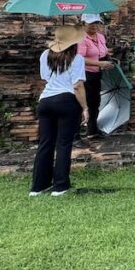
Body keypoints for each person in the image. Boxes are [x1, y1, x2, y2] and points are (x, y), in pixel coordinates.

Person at [30, 25, 88, 197]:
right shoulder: (77, 59)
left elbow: (45, 78)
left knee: (45, 143)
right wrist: (85, 107)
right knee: (63, 144)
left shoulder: (44, 55)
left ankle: (38, 186)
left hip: (46, 101)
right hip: (66, 101)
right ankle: (60, 185)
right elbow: (77, 85)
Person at [77, 13, 112, 138]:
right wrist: (99, 63)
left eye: (96, 23)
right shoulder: (81, 39)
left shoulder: (101, 37)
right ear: (83, 24)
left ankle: (92, 130)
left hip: (97, 73)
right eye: (91, 23)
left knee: (95, 102)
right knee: (83, 102)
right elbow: (79, 59)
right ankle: (77, 133)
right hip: (84, 74)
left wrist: (108, 61)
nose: (94, 26)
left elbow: (103, 52)